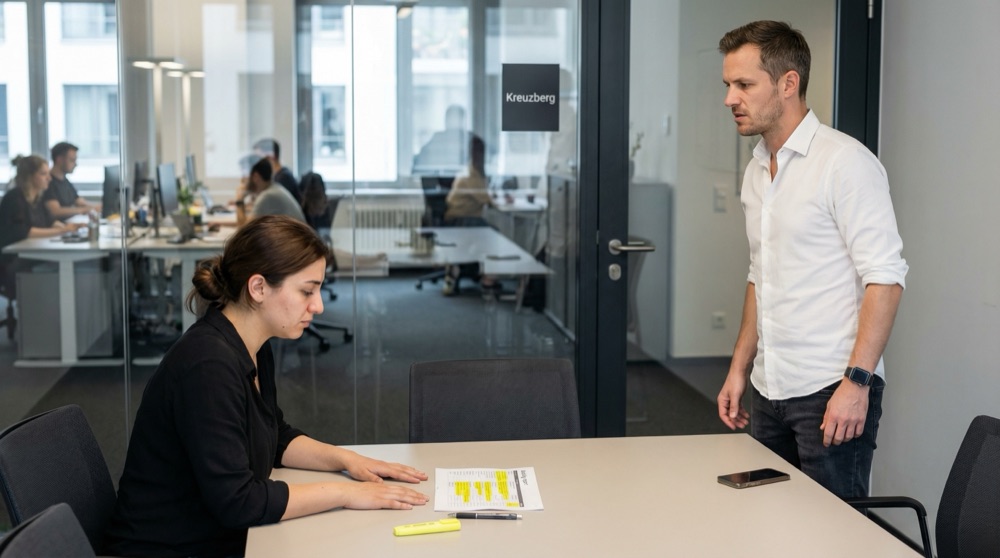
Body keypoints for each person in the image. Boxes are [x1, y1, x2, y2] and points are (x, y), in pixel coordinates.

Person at [104, 215, 428, 557]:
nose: (317, 306)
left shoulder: (252, 345)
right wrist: (345, 493)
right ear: (258, 288)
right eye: (307, 291)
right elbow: (239, 502)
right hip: (168, 547)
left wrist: (345, 459)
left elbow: (273, 436)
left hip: (214, 535)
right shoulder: (208, 366)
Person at [714, 21, 908, 500]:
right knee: (766, 523)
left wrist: (857, 383)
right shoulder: (758, 170)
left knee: (833, 538)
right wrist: (740, 367)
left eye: (743, 85)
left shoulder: (845, 163)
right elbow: (762, 276)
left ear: (787, 83)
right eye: (728, 85)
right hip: (770, 387)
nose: (730, 99)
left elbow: (885, 279)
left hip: (830, 389)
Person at [0, 155, 86, 290]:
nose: (49, 178)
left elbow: (48, 221)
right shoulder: (15, 198)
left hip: (28, 252)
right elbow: (25, 232)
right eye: (43, 174)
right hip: (12, 259)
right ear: (30, 176)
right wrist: (64, 230)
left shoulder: (37, 197)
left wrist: (65, 226)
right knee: (59, 265)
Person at [236, 158, 306, 226]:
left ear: (255, 176)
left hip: (296, 236)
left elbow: (244, 228)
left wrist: (239, 199)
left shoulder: (267, 196)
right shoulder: (274, 188)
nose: (242, 180)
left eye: (245, 176)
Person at [42, 141, 100, 219]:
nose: (75, 164)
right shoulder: (47, 182)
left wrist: (97, 207)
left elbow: (78, 201)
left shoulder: (65, 180)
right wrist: (83, 210)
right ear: (59, 160)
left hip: (68, 226)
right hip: (59, 227)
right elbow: (55, 211)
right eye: (72, 160)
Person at [444, 136, 492, 224]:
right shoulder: (470, 175)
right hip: (460, 218)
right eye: (478, 151)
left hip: (466, 216)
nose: (480, 155)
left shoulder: (474, 170)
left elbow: (483, 193)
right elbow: (485, 199)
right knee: (495, 233)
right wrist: (499, 199)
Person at [253, 138, 301, 204]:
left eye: (259, 159)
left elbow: (269, 203)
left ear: (271, 157)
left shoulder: (283, 178)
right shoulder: (277, 175)